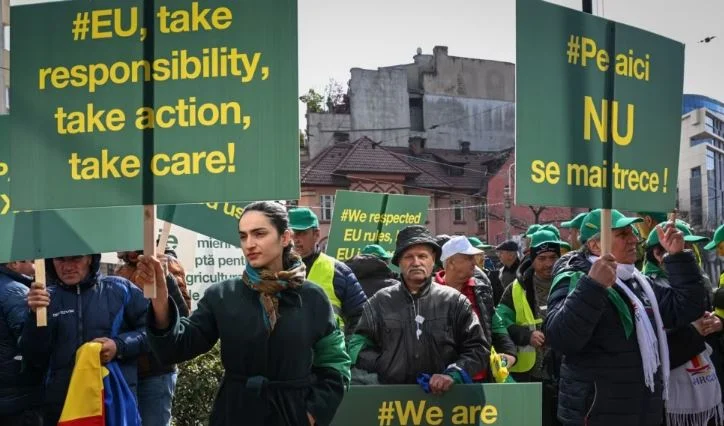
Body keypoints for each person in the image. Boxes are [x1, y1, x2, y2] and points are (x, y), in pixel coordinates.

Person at [144, 201, 350, 426]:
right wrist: (161, 300)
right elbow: (178, 346)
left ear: (285, 237)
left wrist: (311, 413)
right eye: (243, 236)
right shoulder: (223, 295)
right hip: (235, 413)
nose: (249, 244)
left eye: (259, 234)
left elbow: (335, 363)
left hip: (292, 414)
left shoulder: (312, 297)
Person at [546, 209, 708, 426]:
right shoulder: (575, 277)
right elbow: (561, 338)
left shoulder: (637, 282)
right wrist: (593, 286)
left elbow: (686, 309)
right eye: (623, 234)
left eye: (632, 232)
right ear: (595, 245)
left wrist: (677, 257)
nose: (633, 239)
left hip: (641, 412)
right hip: (598, 416)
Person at [351, 226, 488, 394]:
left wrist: (454, 374)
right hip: (393, 402)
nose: (416, 262)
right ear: (399, 262)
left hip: (446, 403)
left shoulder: (455, 302)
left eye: (422, 256)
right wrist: (383, 364)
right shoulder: (379, 302)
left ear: (433, 260)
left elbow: (478, 349)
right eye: (408, 257)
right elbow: (356, 344)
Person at [23, 254, 149, 425]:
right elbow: (33, 357)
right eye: (60, 259)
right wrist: (33, 316)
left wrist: (118, 346)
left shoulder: (121, 289)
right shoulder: (44, 300)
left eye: (75, 258)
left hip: (114, 403)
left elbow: (152, 333)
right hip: (62, 407)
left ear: (90, 258)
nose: (67, 267)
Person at [643, 221, 724, 425]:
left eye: (688, 247)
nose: (689, 253)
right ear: (658, 254)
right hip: (671, 397)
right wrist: (695, 331)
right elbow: (660, 350)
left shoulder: (696, 282)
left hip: (706, 381)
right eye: (680, 246)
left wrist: (716, 323)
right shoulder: (649, 290)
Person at [116, 250, 191, 426]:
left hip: (156, 372)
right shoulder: (121, 272)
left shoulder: (167, 264)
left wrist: (167, 280)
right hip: (126, 369)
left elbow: (183, 315)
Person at [497, 230, 564, 425]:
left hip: (566, 372)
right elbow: (499, 321)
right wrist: (526, 335)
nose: (548, 264)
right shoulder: (517, 288)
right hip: (533, 375)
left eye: (553, 257)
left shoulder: (571, 281)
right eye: (542, 258)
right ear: (532, 258)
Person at [435, 236, 517, 380]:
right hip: (440, 380)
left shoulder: (481, 290)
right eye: (468, 258)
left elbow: (494, 324)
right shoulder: (430, 292)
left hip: (480, 379)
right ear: (450, 262)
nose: (474, 263)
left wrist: (509, 353)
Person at [288, 207, 367, 334]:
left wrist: (346, 348)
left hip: (329, 350)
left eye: (302, 233)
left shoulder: (339, 271)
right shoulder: (275, 270)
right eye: (291, 234)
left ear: (316, 234)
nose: (295, 239)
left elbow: (361, 316)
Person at [0, 261, 43, 426]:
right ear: (14, 264)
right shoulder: (16, 291)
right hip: (17, 395)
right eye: (32, 261)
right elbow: (30, 343)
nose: (35, 266)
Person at [468, 237, 505, 305]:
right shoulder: (461, 280)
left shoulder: (493, 278)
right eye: (478, 254)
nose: (483, 258)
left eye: (483, 254)